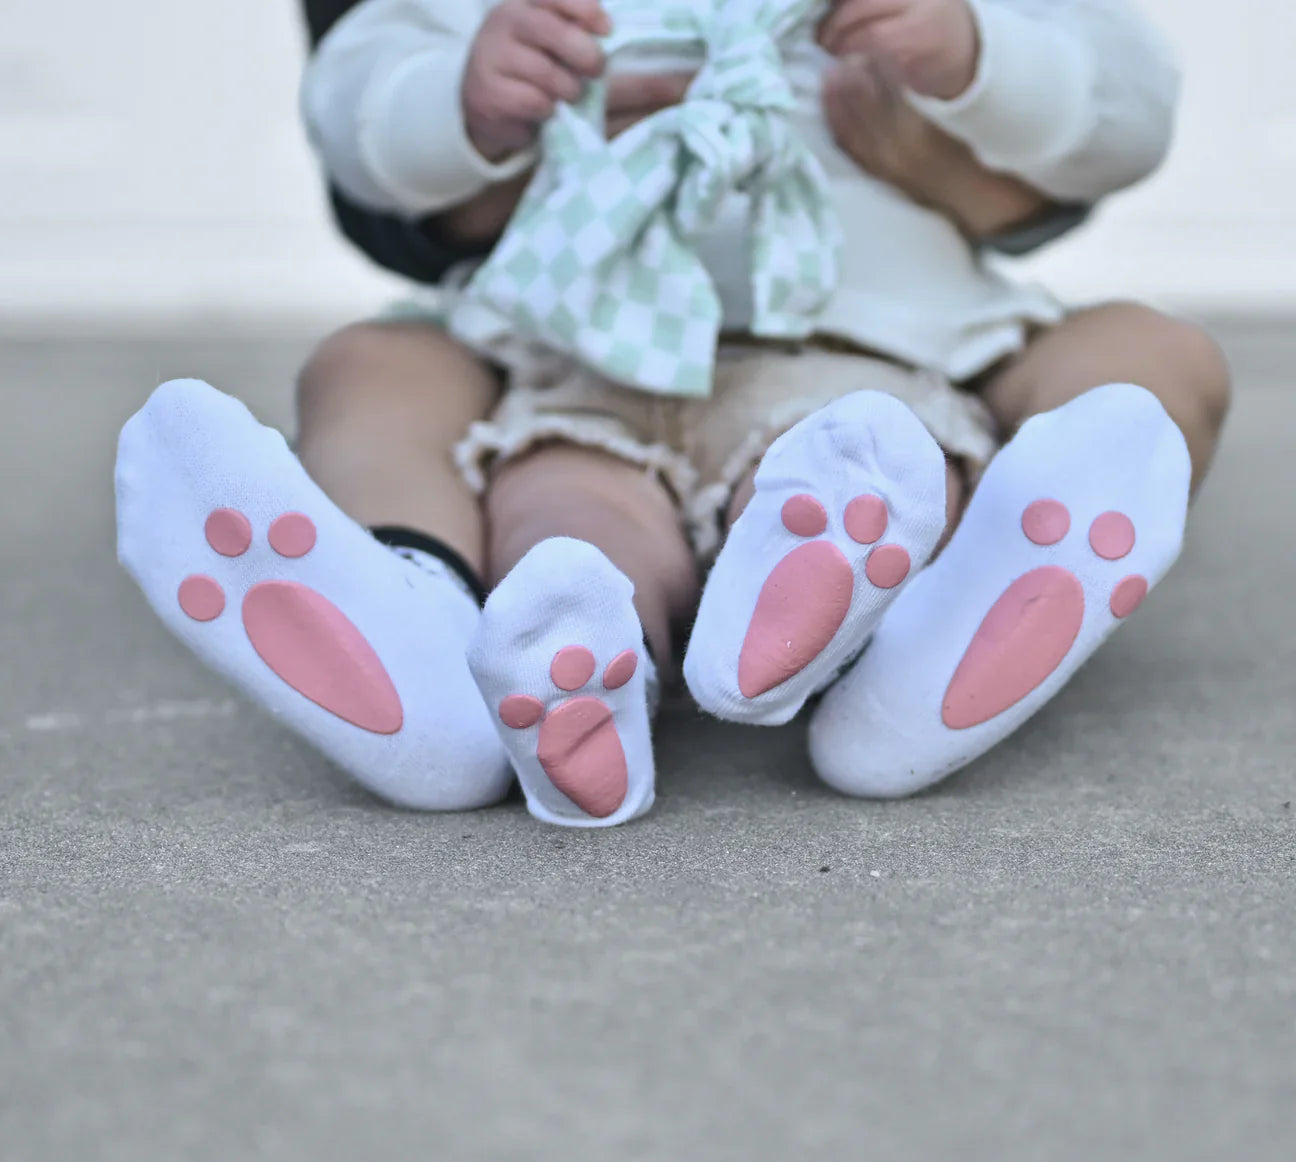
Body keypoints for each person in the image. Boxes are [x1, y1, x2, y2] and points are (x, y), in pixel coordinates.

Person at [115, 0, 1230, 828]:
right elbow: (358, 98)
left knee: (1104, 379)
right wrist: (461, 98)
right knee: (510, 476)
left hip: (872, 361)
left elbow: (1125, 99)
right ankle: (469, 650)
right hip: (580, 366)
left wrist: (984, 55)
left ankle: (906, 650)